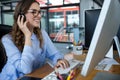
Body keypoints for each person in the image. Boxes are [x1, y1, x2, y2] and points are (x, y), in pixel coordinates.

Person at [0, 0, 69, 80]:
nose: (39, 16)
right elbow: (26, 69)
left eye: (39, 12)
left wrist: (58, 60)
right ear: (21, 15)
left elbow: (54, 54)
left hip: (35, 76)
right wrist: (27, 36)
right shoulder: (8, 40)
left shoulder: (42, 33)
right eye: (33, 12)